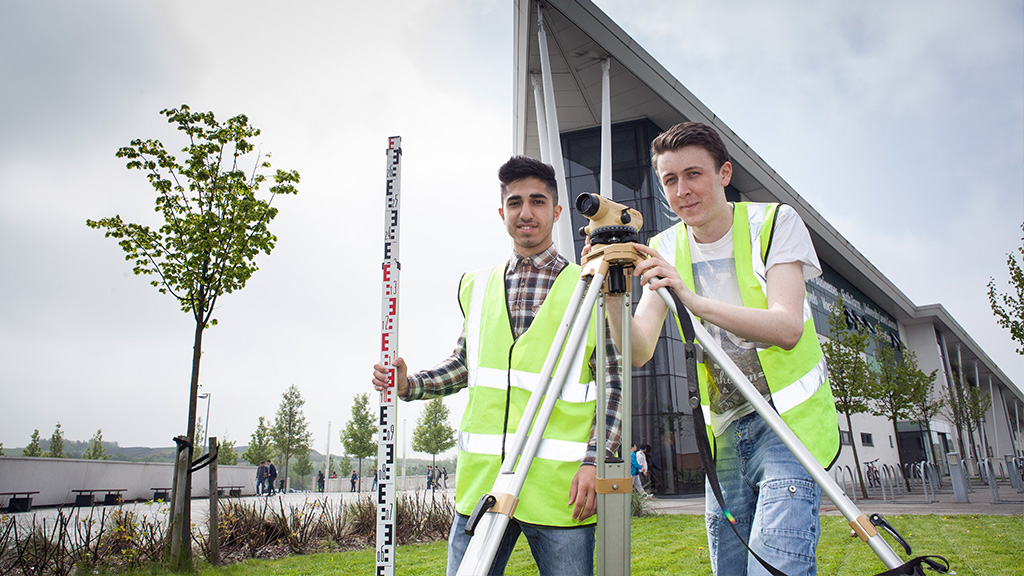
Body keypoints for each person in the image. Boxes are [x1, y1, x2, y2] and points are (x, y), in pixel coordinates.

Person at [606, 122, 839, 576]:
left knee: (775, 568)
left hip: (788, 426)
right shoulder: (664, 247)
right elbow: (638, 349)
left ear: (724, 173)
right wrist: (611, 295)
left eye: (693, 174)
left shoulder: (774, 223)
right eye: (669, 180)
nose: (681, 190)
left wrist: (691, 302)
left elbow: (788, 326)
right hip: (725, 435)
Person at [372, 155, 623, 576]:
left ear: (556, 211)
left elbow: (613, 383)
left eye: (538, 201)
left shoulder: (590, 285)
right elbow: (465, 364)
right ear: (502, 212)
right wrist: (408, 383)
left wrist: (595, 460)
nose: (526, 212)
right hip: (483, 485)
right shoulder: (476, 285)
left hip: (559, 490)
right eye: (515, 202)